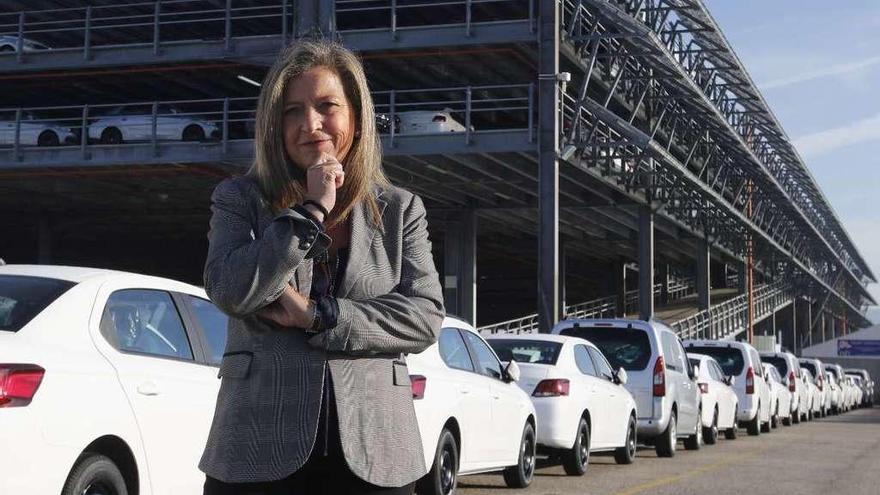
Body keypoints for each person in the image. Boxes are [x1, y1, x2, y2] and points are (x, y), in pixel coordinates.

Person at [199, 39, 445, 495]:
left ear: (355, 115)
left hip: (377, 452)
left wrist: (319, 316)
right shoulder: (239, 198)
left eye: (326, 106)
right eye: (292, 111)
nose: (309, 124)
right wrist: (310, 210)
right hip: (257, 448)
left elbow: (425, 316)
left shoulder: (399, 209)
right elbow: (231, 290)